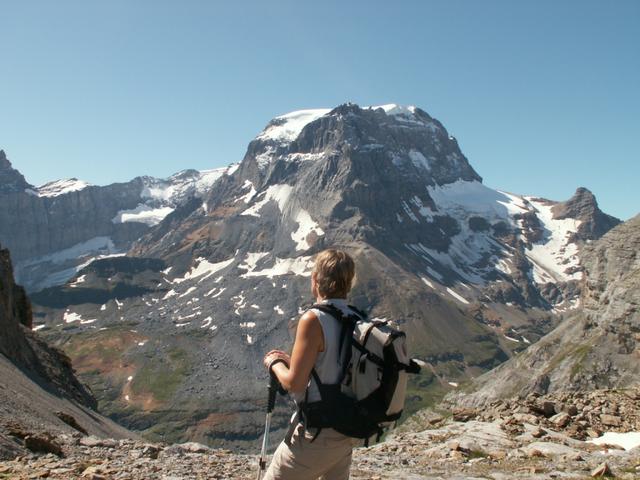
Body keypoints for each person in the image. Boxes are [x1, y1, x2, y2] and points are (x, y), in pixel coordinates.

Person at [262, 248, 359, 480]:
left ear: (315, 279)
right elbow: (333, 366)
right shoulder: (356, 317)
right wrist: (295, 363)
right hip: (345, 433)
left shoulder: (313, 319)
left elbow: (294, 384)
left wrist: (275, 363)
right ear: (349, 282)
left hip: (314, 436)